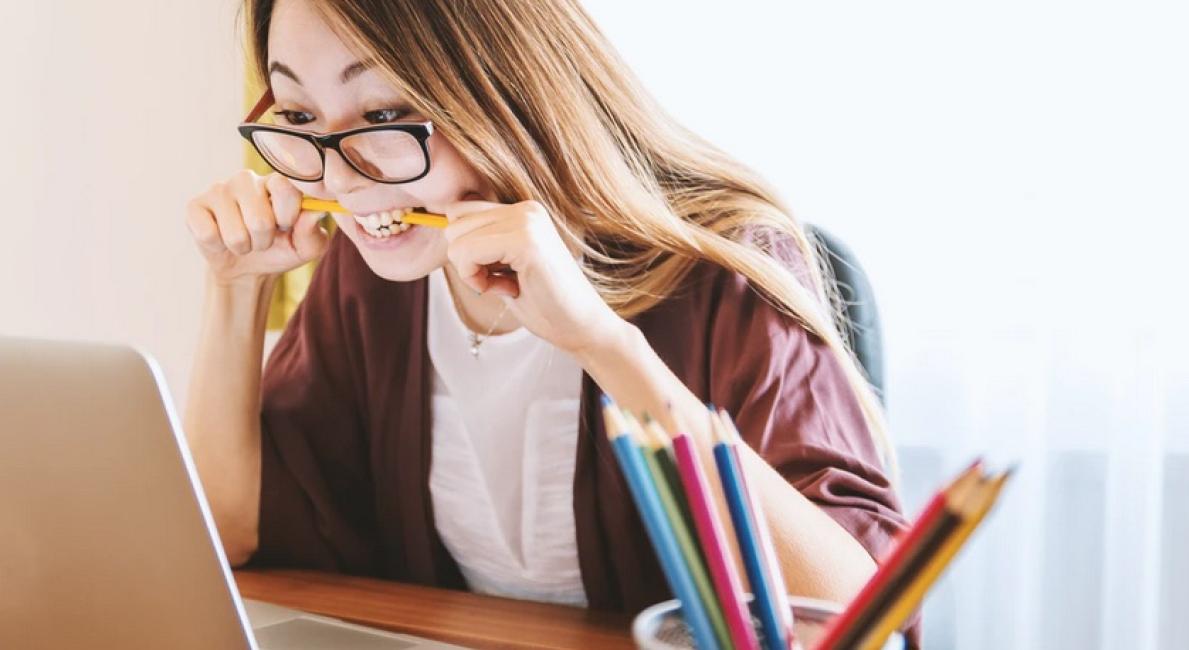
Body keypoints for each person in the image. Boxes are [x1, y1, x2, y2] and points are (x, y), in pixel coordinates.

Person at [183, 0, 911, 636]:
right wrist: (235, 289)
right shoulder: (374, 273)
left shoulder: (724, 266)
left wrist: (601, 343)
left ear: (510, 90)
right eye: (301, 117)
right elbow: (228, 533)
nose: (340, 178)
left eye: (385, 115)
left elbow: (859, 617)